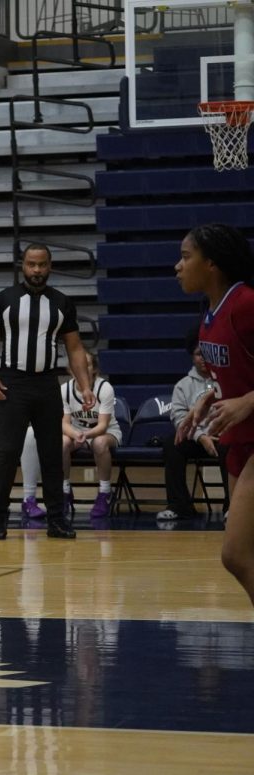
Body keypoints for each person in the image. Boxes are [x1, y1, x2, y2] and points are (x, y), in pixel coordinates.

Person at [0, 244, 94, 541]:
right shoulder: (3, 300)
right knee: (7, 452)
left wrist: (86, 386)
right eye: (31, 264)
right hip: (12, 383)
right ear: (23, 265)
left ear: (50, 265)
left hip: (47, 384)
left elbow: (75, 348)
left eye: (42, 264)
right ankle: (0, 518)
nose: (37, 270)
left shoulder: (62, 303)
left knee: (52, 454)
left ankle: (56, 520)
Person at [173, 223, 254, 607]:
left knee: (235, 555)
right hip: (240, 440)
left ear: (212, 265)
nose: (178, 266)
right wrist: (207, 397)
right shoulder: (210, 313)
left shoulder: (246, 304)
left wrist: (248, 401)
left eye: (186, 257)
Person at [159, 331, 230, 521]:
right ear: (192, 356)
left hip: (222, 435)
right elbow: (180, 419)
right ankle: (179, 506)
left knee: (230, 445)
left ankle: (231, 507)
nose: (203, 359)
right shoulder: (183, 385)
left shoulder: (226, 381)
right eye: (199, 354)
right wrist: (201, 437)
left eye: (207, 354)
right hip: (195, 437)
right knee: (171, 444)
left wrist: (216, 432)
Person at [60, 351, 123, 518]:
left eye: (86, 364)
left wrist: (84, 435)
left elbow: (102, 426)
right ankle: (65, 491)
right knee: (61, 443)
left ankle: (105, 492)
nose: (81, 368)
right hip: (78, 433)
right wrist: (76, 434)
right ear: (70, 369)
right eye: (77, 364)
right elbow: (64, 424)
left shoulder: (104, 388)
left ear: (94, 369)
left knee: (99, 443)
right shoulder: (64, 390)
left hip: (107, 432)